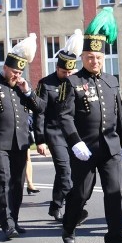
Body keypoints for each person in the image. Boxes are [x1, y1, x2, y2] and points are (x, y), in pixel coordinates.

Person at [58, 8, 122, 243]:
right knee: (80, 194)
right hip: (85, 150)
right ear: (83, 58)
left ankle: (115, 241)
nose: (95, 61)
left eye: (99, 57)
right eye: (90, 57)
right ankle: (69, 226)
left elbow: (119, 113)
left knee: (114, 194)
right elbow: (65, 116)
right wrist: (74, 142)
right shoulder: (72, 82)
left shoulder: (111, 81)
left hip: (110, 148)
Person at [0, 35, 46, 240]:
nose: (17, 75)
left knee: (17, 183)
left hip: (20, 143)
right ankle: (6, 223)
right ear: (5, 68)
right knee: (3, 180)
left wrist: (28, 91)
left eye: (20, 72)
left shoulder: (23, 87)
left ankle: (15, 218)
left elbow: (40, 108)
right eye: (14, 71)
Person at [34, 29, 83, 221]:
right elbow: (40, 112)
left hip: (71, 133)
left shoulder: (75, 82)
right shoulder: (45, 84)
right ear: (57, 68)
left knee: (67, 170)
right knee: (64, 171)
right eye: (64, 72)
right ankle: (73, 209)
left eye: (71, 71)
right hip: (54, 133)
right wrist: (39, 139)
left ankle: (55, 206)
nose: (68, 75)